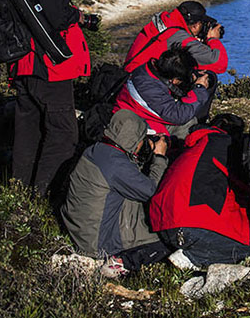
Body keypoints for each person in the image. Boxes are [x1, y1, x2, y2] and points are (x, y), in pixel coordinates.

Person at [8, 0, 92, 198]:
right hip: (48, 66)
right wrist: (77, 15)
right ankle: (42, 196)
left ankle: (17, 194)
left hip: (21, 62)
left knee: (27, 133)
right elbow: (57, 17)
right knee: (63, 134)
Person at [60, 109, 173, 278]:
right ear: (134, 139)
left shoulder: (97, 150)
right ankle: (124, 262)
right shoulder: (116, 164)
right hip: (98, 242)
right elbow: (153, 192)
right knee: (168, 239)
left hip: (80, 228)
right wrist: (159, 158)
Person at [149, 113, 250, 270]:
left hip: (162, 224)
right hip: (189, 225)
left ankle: (191, 250)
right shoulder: (225, 144)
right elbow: (246, 186)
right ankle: (194, 257)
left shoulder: (193, 146)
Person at [113, 47, 215, 143]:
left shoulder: (149, 70)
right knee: (188, 124)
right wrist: (198, 88)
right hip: (133, 126)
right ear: (174, 80)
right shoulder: (149, 88)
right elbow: (179, 116)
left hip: (138, 115)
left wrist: (191, 73)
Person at [123, 0, 228, 76]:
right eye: (201, 25)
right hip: (141, 84)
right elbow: (218, 63)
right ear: (195, 25)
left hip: (132, 76)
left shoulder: (166, 22)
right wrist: (212, 39)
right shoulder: (176, 35)